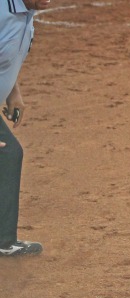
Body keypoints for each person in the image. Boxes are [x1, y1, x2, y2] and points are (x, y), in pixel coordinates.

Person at [0, 0, 49, 257]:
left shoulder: (27, 12)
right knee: (7, 154)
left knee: (7, 154)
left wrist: (12, 91)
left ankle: (4, 240)